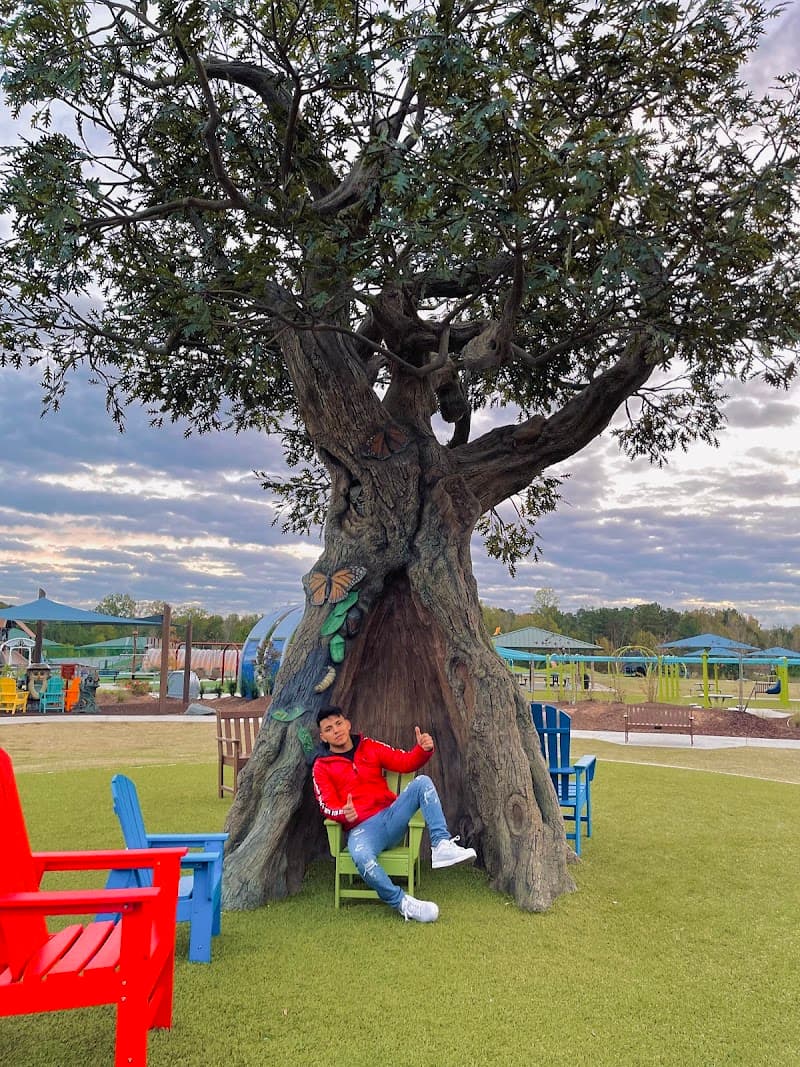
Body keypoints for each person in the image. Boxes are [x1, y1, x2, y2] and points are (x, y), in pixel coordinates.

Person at [312, 705, 476, 923]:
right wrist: (343, 813)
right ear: (323, 736)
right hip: (362, 830)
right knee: (360, 856)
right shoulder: (321, 767)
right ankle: (402, 903)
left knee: (422, 782)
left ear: (348, 723)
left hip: (391, 816)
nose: (336, 730)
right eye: (329, 728)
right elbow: (326, 804)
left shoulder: (369, 746)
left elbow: (405, 762)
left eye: (339, 723)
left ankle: (441, 845)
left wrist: (422, 750)